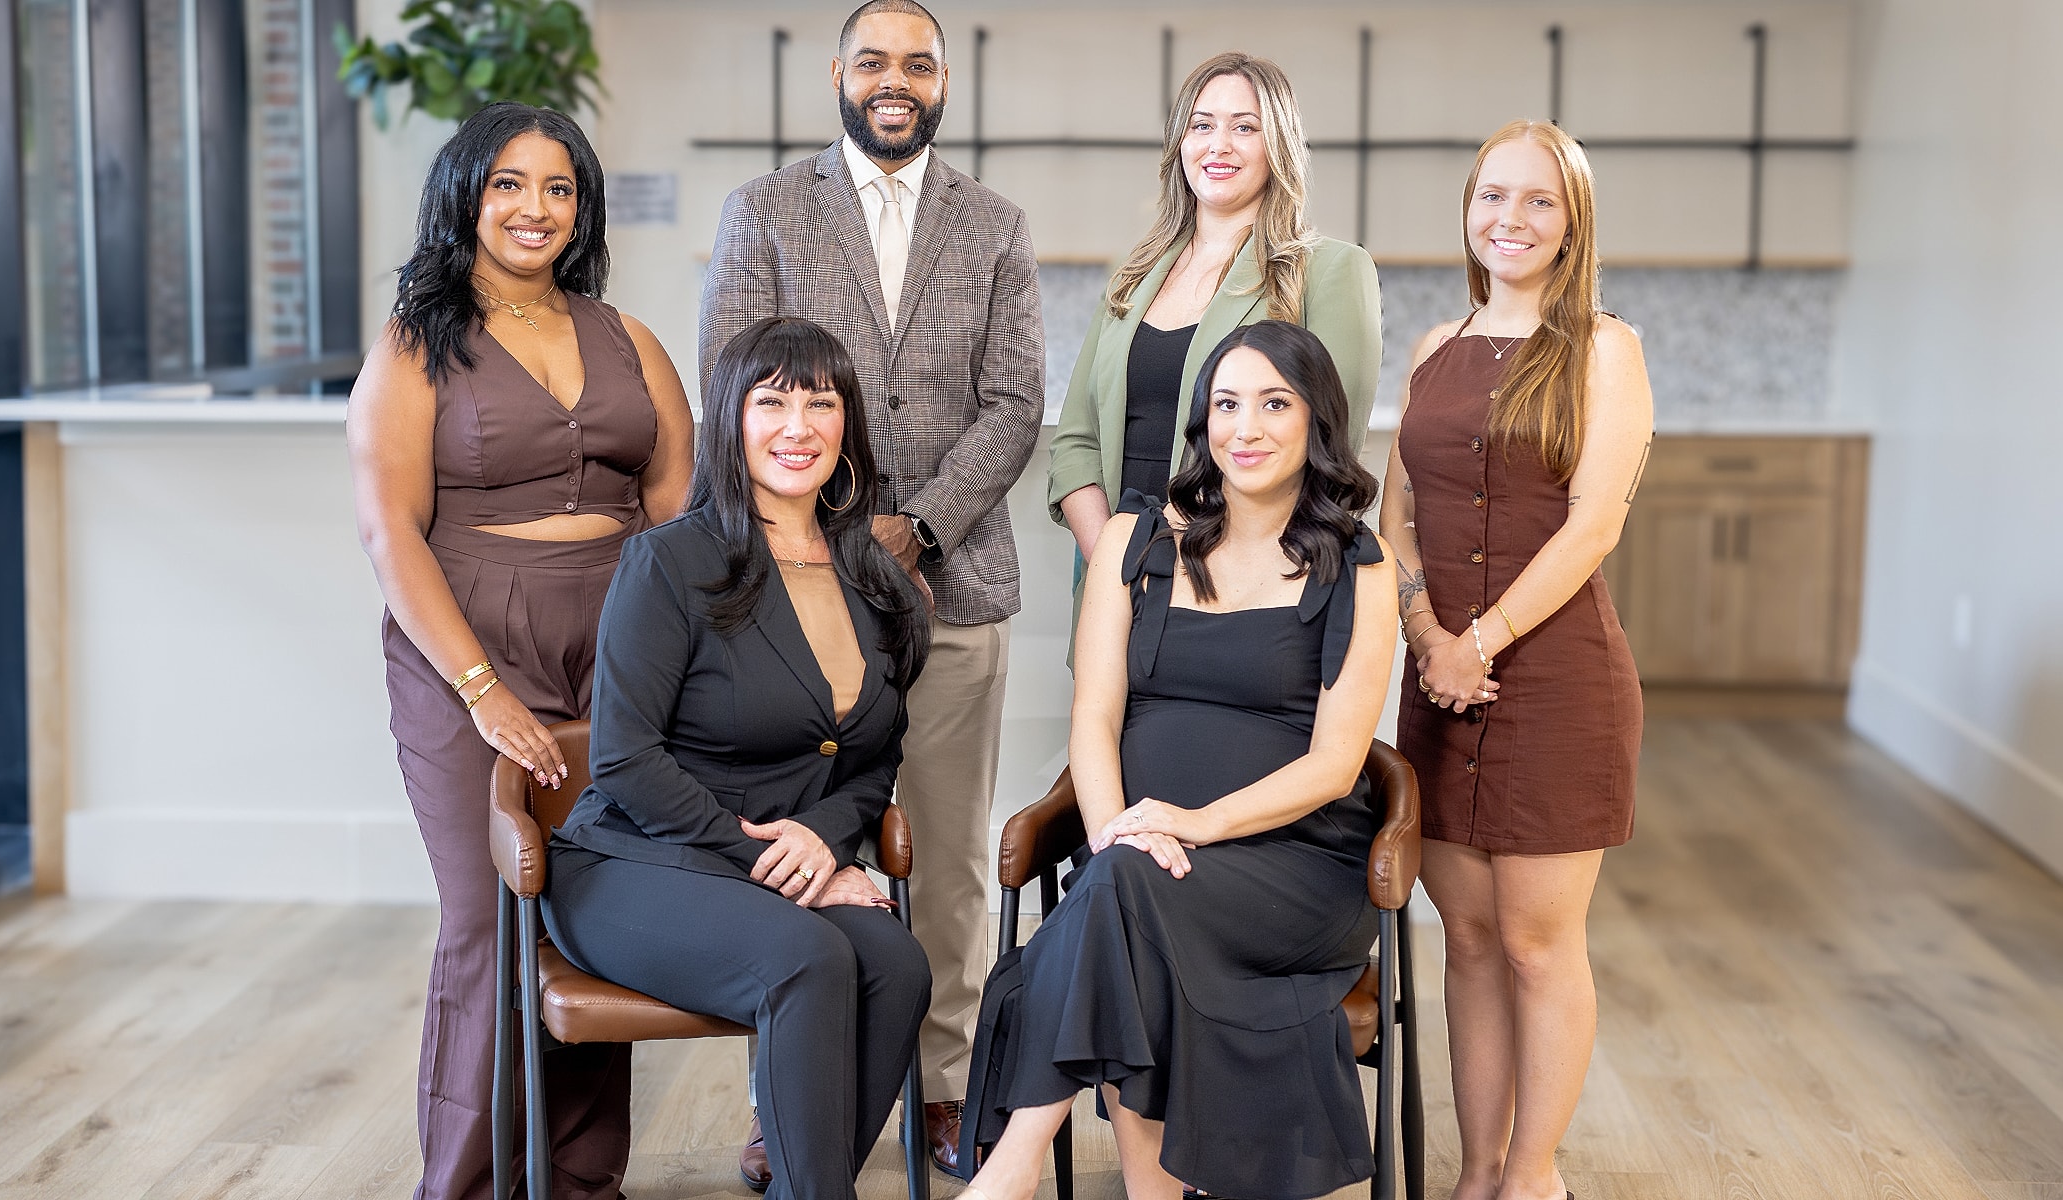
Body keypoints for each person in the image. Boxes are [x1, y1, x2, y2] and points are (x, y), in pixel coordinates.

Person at [698, 0, 1044, 1182]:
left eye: (918, 63)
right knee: (794, 853)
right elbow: (734, 387)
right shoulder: (765, 211)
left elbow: (1015, 403)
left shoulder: (994, 224)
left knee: (942, 862)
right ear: (837, 75)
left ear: (942, 82)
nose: (895, 80)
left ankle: (943, 1094)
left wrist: (923, 524)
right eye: (874, 61)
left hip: (955, 592)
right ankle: (787, 1098)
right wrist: (840, 533)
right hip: (791, 593)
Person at [963, 320, 1399, 1200]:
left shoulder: (1360, 564)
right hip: (1145, 858)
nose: (1247, 427)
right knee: (1126, 896)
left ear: (1317, 422)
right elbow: (1094, 716)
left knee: (1121, 899)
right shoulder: (1138, 540)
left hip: (1292, 867)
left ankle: (1003, 1180)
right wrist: (1121, 833)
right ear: (1203, 422)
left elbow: (1336, 762)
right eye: (1227, 404)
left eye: (1275, 403)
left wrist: (1193, 825)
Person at [348, 102, 695, 1200]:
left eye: (557, 187)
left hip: (622, 640)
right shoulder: (416, 345)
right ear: (466, 196)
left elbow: (681, 510)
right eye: (508, 183)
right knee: (488, 918)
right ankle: (462, 1183)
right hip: (472, 641)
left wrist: (682, 665)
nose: (533, 208)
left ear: (581, 207)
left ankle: (580, 1180)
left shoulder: (628, 337)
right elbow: (387, 530)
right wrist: (482, 689)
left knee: (598, 905)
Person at [544, 317, 933, 1200]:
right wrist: (771, 859)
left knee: (898, 964)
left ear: (848, 427)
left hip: (785, 865)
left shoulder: (877, 576)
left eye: (821, 404)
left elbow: (875, 758)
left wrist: (825, 842)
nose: (798, 427)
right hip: (634, 864)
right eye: (773, 402)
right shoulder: (669, 562)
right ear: (732, 420)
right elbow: (624, 759)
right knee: (811, 957)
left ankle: (806, 1178)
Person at [1381, 119, 1653, 1200]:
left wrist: (1476, 643)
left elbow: (1591, 527)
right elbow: (1395, 517)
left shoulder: (1603, 347)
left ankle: (1531, 1178)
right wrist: (1427, 642)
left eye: (1538, 201)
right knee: (1471, 945)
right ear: (1467, 209)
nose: (1511, 219)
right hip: (1437, 678)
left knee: (1540, 945)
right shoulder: (1430, 347)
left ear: (1572, 222)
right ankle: (1473, 1173)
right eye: (1493, 196)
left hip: (1555, 683)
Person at [1048, 52, 1381, 565]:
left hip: (1248, 585)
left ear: (1277, 146)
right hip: (1114, 577)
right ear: (1180, 140)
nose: (1218, 145)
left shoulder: (1332, 271)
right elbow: (1075, 443)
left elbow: (1329, 457)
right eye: (1202, 125)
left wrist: (1209, 575)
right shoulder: (1132, 277)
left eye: (1244, 127)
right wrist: (1117, 566)